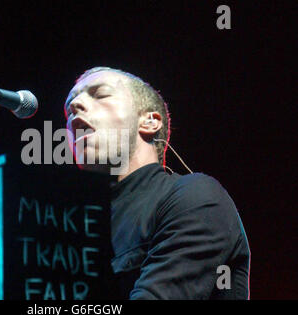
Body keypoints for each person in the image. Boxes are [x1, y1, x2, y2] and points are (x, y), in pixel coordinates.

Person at [64, 66, 250, 299]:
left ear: (150, 122)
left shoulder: (196, 198)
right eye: (68, 107)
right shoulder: (74, 225)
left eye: (100, 94)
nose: (74, 107)